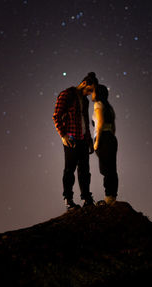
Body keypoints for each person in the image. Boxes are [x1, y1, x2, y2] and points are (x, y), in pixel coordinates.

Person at [53, 72, 98, 210]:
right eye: (89, 90)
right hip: (71, 139)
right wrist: (63, 135)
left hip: (83, 139)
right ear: (84, 83)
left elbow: (85, 120)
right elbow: (56, 116)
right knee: (69, 170)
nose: (89, 94)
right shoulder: (67, 94)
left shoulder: (84, 101)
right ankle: (68, 200)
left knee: (85, 171)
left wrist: (89, 140)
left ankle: (86, 199)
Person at [91, 84, 119, 205]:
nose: (91, 94)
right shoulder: (109, 107)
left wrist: (97, 142)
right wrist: (110, 136)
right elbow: (113, 127)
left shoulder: (98, 104)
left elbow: (100, 122)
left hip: (103, 138)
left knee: (106, 169)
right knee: (111, 169)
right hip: (111, 138)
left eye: (93, 92)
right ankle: (111, 196)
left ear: (97, 93)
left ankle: (109, 197)